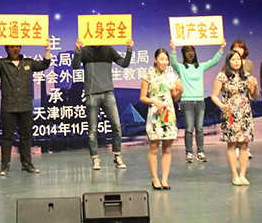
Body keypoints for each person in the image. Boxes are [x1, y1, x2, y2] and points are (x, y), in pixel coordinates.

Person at [0, 38, 51, 175]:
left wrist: (47, 49)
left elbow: (44, 64)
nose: (15, 49)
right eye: (12, 47)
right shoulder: (3, 64)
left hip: (25, 105)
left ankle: (27, 164)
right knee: (7, 137)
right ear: (7, 49)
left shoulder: (28, 62)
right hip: (8, 106)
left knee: (26, 136)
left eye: (17, 46)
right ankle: (5, 165)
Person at [72, 37, 133, 170]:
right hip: (92, 94)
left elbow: (124, 63)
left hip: (108, 94)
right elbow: (75, 66)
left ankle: (117, 156)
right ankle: (95, 159)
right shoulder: (85, 50)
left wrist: (129, 49)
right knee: (92, 130)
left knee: (117, 126)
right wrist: (77, 50)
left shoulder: (109, 49)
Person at [170, 38, 225, 163]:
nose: (190, 53)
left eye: (192, 51)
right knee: (189, 128)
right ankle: (189, 153)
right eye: (187, 51)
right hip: (186, 101)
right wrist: (173, 50)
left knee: (199, 128)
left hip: (200, 101)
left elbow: (213, 62)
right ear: (184, 54)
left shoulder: (200, 66)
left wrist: (221, 48)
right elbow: (173, 63)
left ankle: (200, 152)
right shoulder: (181, 67)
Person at [212, 50, 259, 185]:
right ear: (228, 62)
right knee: (232, 145)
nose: (236, 62)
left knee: (244, 145)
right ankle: (235, 176)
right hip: (230, 114)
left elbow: (255, 96)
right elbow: (214, 96)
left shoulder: (247, 76)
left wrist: (255, 87)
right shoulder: (222, 76)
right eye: (233, 59)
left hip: (244, 114)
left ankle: (243, 175)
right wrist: (222, 105)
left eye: (238, 59)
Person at [140, 47, 182, 190]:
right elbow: (142, 97)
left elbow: (175, 97)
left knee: (167, 149)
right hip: (154, 114)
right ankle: (155, 179)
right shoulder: (148, 76)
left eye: (166, 59)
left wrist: (180, 91)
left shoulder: (172, 76)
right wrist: (153, 101)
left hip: (168, 114)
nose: (164, 62)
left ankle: (165, 179)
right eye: (161, 59)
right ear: (155, 60)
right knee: (153, 148)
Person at [222, 39, 254, 159]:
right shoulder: (227, 65)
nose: (238, 50)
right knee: (232, 127)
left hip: (245, 100)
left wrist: (253, 88)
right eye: (235, 47)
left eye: (240, 47)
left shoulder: (249, 63)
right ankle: (234, 148)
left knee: (245, 126)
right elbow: (222, 81)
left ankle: (244, 148)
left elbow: (251, 81)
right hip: (232, 101)